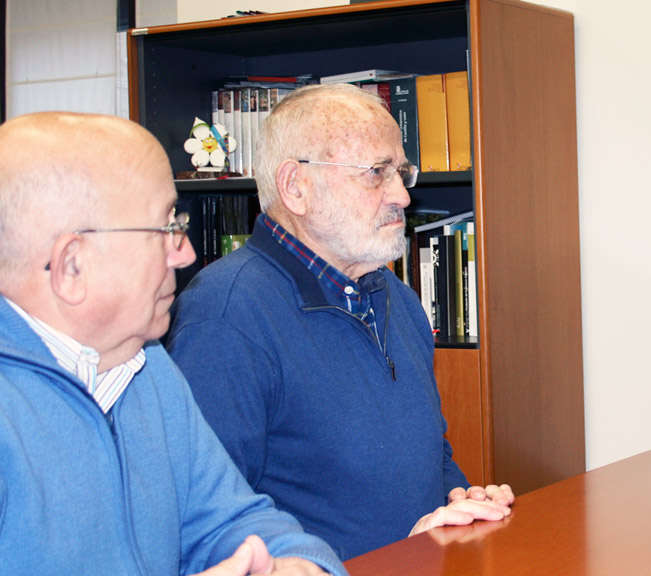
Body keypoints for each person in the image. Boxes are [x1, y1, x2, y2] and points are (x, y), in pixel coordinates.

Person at [166, 83, 513, 560]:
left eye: (401, 172)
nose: (402, 197)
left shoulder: (396, 297)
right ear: (296, 187)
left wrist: (460, 502)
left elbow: (430, 456)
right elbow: (205, 524)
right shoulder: (227, 317)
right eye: (376, 173)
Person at [0, 111, 347, 575]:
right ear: (72, 266)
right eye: (165, 228)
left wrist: (299, 566)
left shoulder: (146, 366)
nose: (185, 253)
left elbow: (228, 519)